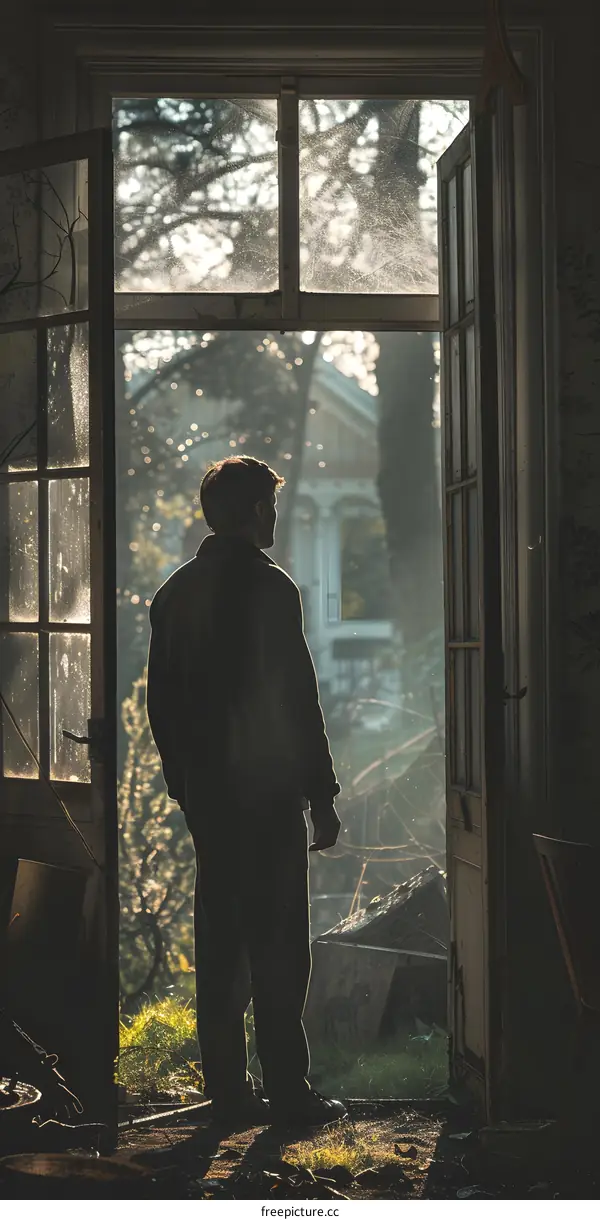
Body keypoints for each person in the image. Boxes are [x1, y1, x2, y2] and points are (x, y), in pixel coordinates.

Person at [147, 455, 347, 1130]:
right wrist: (320, 794)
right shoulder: (272, 590)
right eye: (271, 504)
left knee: (221, 943)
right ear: (256, 510)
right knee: (280, 945)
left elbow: (161, 708)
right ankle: (288, 1093)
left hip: (211, 802)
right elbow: (297, 699)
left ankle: (228, 1096)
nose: (276, 516)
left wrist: (185, 788)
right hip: (267, 797)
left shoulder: (174, 595)